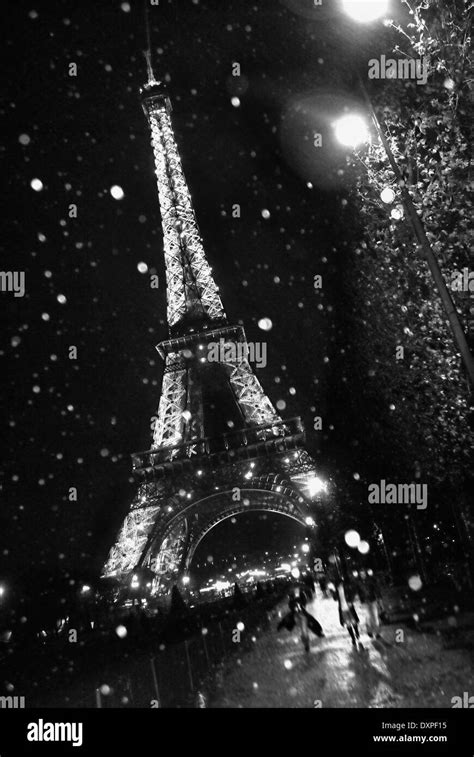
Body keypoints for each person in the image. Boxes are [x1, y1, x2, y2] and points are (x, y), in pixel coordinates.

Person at [278, 586, 324, 652]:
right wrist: (295, 606)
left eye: (297, 589)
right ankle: (306, 643)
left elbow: (304, 602)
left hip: (302, 614)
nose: (296, 590)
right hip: (296, 615)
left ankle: (307, 643)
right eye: (295, 589)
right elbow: (290, 605)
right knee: (303, 629)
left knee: (305, 629)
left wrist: (300, 605)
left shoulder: (301, 594)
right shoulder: (292, 596)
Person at [335, 579, 362, 649]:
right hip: (343, 609)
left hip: (349, 608)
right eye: (338, 584)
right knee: (348, 624)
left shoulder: (347, 588)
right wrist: (333, 591)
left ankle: (357, 633)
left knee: (354, 622)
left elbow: (353, 594)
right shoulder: (337, 591)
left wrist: (351, 601)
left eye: (341, 584)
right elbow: (335, 598)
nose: (340, 585)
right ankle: (353, 638)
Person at [359, 569, 383, 639]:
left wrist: (378, 598)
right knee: (368, 617)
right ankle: (370, 631)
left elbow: (376, 589)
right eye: (361, 574)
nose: (362, 575)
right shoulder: (359, 583)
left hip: (372, 600)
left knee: (375, 617)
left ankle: (377, 633)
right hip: (365, 602)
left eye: (363, 573)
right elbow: (358, 592)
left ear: (365, 574)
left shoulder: (370, 581)